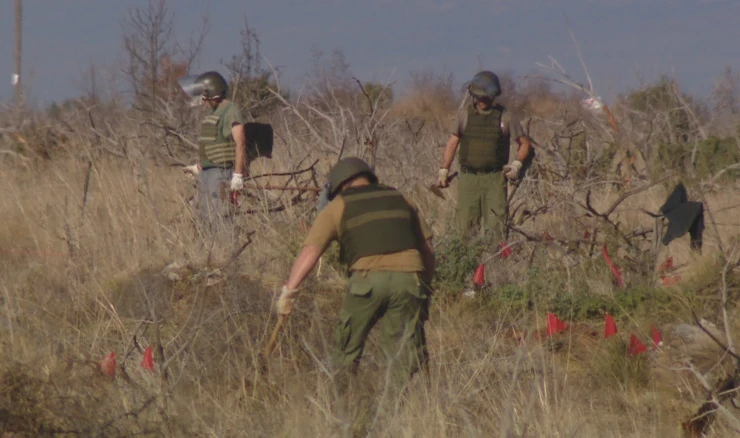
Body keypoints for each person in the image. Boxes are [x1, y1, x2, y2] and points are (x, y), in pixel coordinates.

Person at [277, 157, 436, 399]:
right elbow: (428, 250)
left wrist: (289, 291)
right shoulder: (401, 198)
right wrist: (425, 288)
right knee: (400, 357)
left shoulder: (338, 206)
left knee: (346, 350)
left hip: (366, 283)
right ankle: (392, 410)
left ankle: (338, 404)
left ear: (340, 185)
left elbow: (311, 251)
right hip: (408, 281)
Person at [437, 70, 532, 243]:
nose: (482, 101)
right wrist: (444, 170)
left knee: (496, 229)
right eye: (479, 97)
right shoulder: (464, 115)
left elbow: (524, 144)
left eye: (486, 97)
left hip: (494, 179)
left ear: (494, 96)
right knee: (464, 229)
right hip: (469, 178)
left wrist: (517, 164)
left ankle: (495, 259)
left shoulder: (506, 117)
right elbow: (452, 142)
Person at [182, 71, 248, 228]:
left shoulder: (231, 110)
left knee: (220, 218)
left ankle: (226, 244)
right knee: (207, 218)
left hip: (221, 173)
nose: (202, 101)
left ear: (214, 94)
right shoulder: (213, 113)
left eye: (204, 97)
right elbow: (213, 144)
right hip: (208, 173)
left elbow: (241, 143)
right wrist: (199, 167)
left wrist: (238, 175)